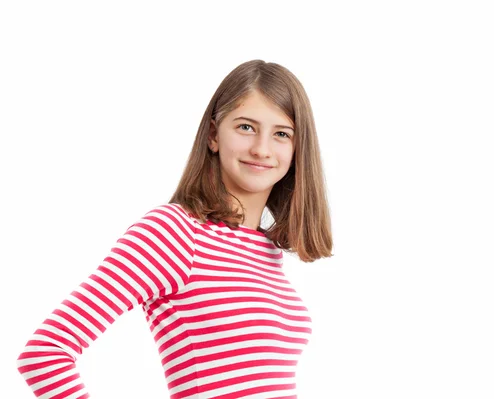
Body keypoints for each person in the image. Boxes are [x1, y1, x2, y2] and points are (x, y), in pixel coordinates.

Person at [16, 59, 333, 399]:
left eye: (282, 134)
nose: (262, 149)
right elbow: (45, 354)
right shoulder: (175, 233)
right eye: (245, 127)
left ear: (298, 149)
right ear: (213, 135)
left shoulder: (265, 251)